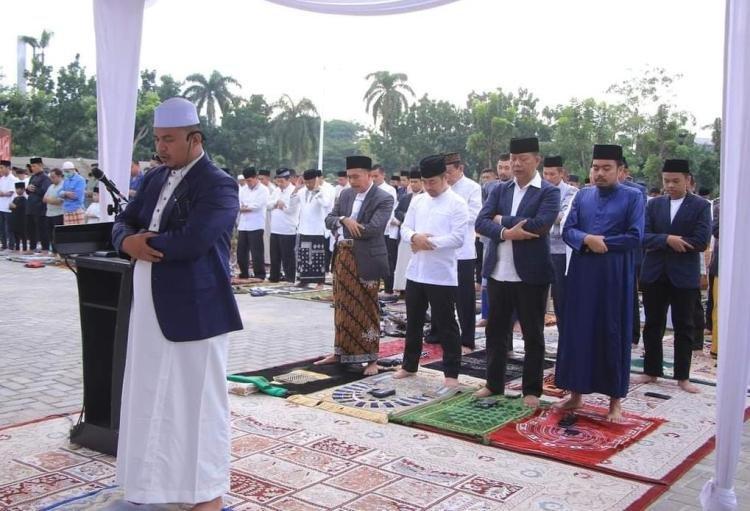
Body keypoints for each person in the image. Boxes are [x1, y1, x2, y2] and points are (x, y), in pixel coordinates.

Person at [111, 97, 242, 510]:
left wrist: (141, 244)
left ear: (194, 138)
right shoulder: (153, 179)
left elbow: (195, 240)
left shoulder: (218, 184)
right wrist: (125, 241)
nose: (161, 147)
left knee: (197, 404)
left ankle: (206, 495)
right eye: (157, 139)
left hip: (197, 312)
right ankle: (158, 488)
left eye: (169, 139)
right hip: (151, 306)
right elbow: (124, 220)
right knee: (151, 395)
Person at [554, 144, 644, 422]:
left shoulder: (633, 197)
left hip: (614, 276)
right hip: (582, 274)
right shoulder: (582, 196)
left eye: (606, 168)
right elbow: (567, 230)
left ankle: (615, 402)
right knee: (578, 331)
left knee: (612, 332)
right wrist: (586, 240)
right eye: (596, 168)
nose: (599, 173)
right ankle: (576, 393)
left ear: (620, 171)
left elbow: (635, 236)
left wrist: (603, 242)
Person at [475, 137, 560, 408]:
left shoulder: (548, 192)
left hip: (531, 275)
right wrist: (505, 231)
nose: (517, 164)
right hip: (498, 272)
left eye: (523, 159)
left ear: (537, 160)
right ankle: (493, 383)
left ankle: (531, 390)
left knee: (532, 333)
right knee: (495, 331)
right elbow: (480, 221)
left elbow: (540, 225)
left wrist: (501, 221)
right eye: (513, 159)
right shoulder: (499, 189)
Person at [634, 159, 711, 393]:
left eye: (675, 181)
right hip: (655, 273)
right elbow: (642, 236)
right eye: (666, 181)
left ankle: (682, 376)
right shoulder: (654, 204)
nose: (670, 185)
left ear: (688, 180)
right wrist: (668, 240)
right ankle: (651, 370)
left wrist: (665, 241)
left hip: (683, 275)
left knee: (684, 326)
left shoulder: (700, 206)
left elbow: (700, 241)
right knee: (653, 324)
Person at [393, 154, 468, 389]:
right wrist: (414, 237)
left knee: (446, 324)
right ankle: (409, 364)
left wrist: (429, 243)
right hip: (416, 272)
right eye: (425, 182)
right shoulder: (418, 200)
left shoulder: (457, 203)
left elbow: (458, 238)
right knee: (413, 321)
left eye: (432, 182)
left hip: (442, 275)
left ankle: (451, 373)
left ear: (444, 177)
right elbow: (405, 228)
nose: (428, 187)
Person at [317, 155, 393, 376]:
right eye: (349, 176)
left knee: (366, 309)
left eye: (356, 176)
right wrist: (343, 219)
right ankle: (340, 352)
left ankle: (371, 359)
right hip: (342, 258)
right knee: (342, 306)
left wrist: (349, 223)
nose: (352, 181)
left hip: (366, 259)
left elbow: (374, 229)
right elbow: (329, 219)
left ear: (370, 175)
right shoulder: (345, 194)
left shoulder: (383, 197)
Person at [443, 152, 482, 354]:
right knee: (442, 296)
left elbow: (476, 214)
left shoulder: (472, 188)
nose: (446, 176)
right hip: (442, 251)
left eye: (449, 172)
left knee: (464, 299)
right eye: (444, 172)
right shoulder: (441, 188)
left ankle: (467, 340)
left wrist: (451, 216)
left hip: (463, 251)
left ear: (460, 168)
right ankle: (442, 334)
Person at [542, 156, 577, 337]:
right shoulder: (538, 189)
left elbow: (563, 218)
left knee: (560, 295)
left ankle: (565, 335)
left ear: (561, 173)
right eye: (545, 173)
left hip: (560, 250)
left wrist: (542, 216)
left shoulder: (571, 192)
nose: (548, 177)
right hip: (540, 247)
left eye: (552, 174)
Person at [293, 169, 334, 287]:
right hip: (304, 228)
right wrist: (296, 188)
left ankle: (319, 281)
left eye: (310, 182)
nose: (308, 185)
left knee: (317, 256)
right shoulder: (302, 191)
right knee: (304, 256)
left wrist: (316, 190)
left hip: (318, 229)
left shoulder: (325, 190)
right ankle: (304, 280)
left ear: (316, 180)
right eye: (306, 182)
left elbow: (325, 204)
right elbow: (292, 203)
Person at [393, 168, 423, 294]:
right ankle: (402, 288)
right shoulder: (406, 198)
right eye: (412, 182)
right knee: (403, 262)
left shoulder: (425, 197)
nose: (413, 184)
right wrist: (406, 217)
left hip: (419, 236)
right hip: (405, 235)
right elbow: (397, 211)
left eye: (416, 182)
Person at [266, 168, 300, 282]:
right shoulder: (276, 191)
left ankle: (290, 278)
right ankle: (274, 277)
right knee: (274, 256)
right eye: (278, 181)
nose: (279, 184)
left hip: (288, 229)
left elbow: (292, 210)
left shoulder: (294, 191)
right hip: (275, 228)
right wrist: (276, 204)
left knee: (288, 257)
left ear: (288, 180)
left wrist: (282, 206)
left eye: (282, 181)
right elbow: (267, 206)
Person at [372, 164, 399, 300]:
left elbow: (387, 211)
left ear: (383, 175)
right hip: (372, 231)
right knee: (373, 260)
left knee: (387, 260)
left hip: (386, 231)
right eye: (372, 176)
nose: (374, 179)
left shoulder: (389, 190)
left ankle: (389, 288)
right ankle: (374, 287)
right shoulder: (370, 189)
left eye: (376, 176)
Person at [236, 167, 269, 280]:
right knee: (241, 252)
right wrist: (244, 207)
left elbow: (257, 206)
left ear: (255, 178)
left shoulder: (263, 189)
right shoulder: (243, 189)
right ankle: (244, 273)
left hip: (256, 224)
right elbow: (239, 202)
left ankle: (259, 274)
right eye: (246, 181)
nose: (248, 183)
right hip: (243, 224)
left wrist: (245, 207)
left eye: (249, 180)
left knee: (256, 252)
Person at [25, 157, 51, 253]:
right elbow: (28, 192)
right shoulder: (33, 177)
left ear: (41, 166)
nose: (32, 168)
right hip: (30, 207)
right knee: (31, 229)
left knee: (42, 229)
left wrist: (34, 189)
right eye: (31, 166)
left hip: (40, 208)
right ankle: (32, 247)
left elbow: (45, 192)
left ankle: (45, 248)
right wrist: (28, 189)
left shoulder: (45, 178)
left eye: (34, 166)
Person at [43, 168, 65, 253]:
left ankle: (60, 253)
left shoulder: (63, 186)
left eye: (53, 177)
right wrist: (51, 200)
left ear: (59, 176)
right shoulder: (51, 186)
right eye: (51, 177)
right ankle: (54, 252)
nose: (52, 179)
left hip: (58, 214)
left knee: (57, 235)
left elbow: (59, 201)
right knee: (50, 235)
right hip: (49, 214)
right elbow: (44, 199)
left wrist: (50, 200)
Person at [59, 161, 87, 225]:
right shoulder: (66, 180)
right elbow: (59, 193)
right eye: (64, 171)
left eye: (67, 171)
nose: (66, 173)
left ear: (73, 170)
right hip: (67, 210)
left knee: (80, 231)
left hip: (77, 209)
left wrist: (64, 194)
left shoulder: (80, 180)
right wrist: (66, 193)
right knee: (68, 232)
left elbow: (76, 196)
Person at [0, 160, 18, 251]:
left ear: (8, 168)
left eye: (2, 167)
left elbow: (10, 193)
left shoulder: (13, 179)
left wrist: (2, 193)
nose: (0, 170)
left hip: (9, 208)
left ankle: (11, 246)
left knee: (9, 229)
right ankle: (3, 245)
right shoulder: (2, 179)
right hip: (1, 207)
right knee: (2, 228)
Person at [9, 182, 27, 252]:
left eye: (19, 189)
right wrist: (12, 206)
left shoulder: (24, 199)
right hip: (15, 218)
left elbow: (23, 207)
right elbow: (11, 207)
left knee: (23, 234)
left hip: (22, 219)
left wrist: (15, 206)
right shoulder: (15, 198)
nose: (17, 191)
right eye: (16, 189)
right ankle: (17, 247)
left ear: (23, 190)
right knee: (15, 233)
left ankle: (25, 248)